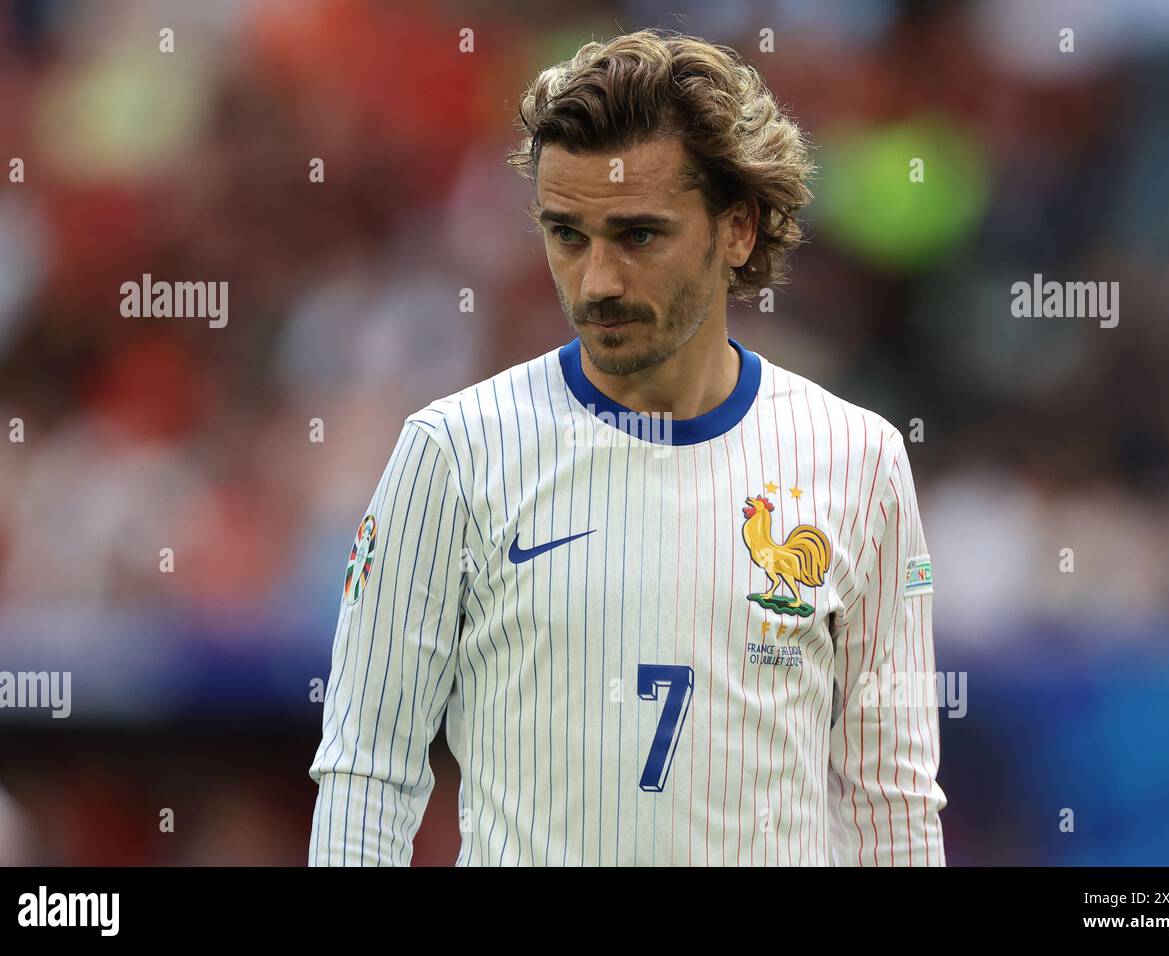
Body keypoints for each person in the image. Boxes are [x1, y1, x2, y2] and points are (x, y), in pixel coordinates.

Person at [308, 28, 945, 866]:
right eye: (567, 235)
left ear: (740, 229)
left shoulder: (858, 460)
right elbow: (368, 772)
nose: (596, 281)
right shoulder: (452, 454)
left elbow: (890, 798)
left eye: (638, 236)